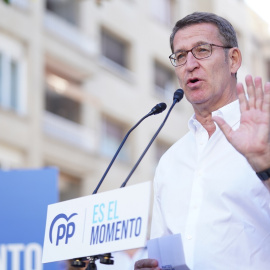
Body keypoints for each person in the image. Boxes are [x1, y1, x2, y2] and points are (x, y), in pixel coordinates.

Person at [135, 12, 270, 270]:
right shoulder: (170, 161)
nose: (190, 64)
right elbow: (162, 251)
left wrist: (264, 163)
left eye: (202, 50)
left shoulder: (265, 137)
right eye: (181, 56)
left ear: (233, 59)